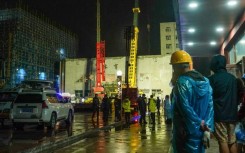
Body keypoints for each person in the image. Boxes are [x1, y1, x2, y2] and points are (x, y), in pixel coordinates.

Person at [170, 50, 214, 153]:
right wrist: (207, 127)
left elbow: (185, 108)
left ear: (176, 67)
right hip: (202, 132)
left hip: (185, 132)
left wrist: (199, 122)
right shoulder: (206, 82)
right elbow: (210, 107)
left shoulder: (181, 82)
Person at [208, 54, 238, 153]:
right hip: (233, 115)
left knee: (222, 141)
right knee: (232, 141)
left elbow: (209, 98)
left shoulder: (212, 79)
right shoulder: (233, 78)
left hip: (220, 115)